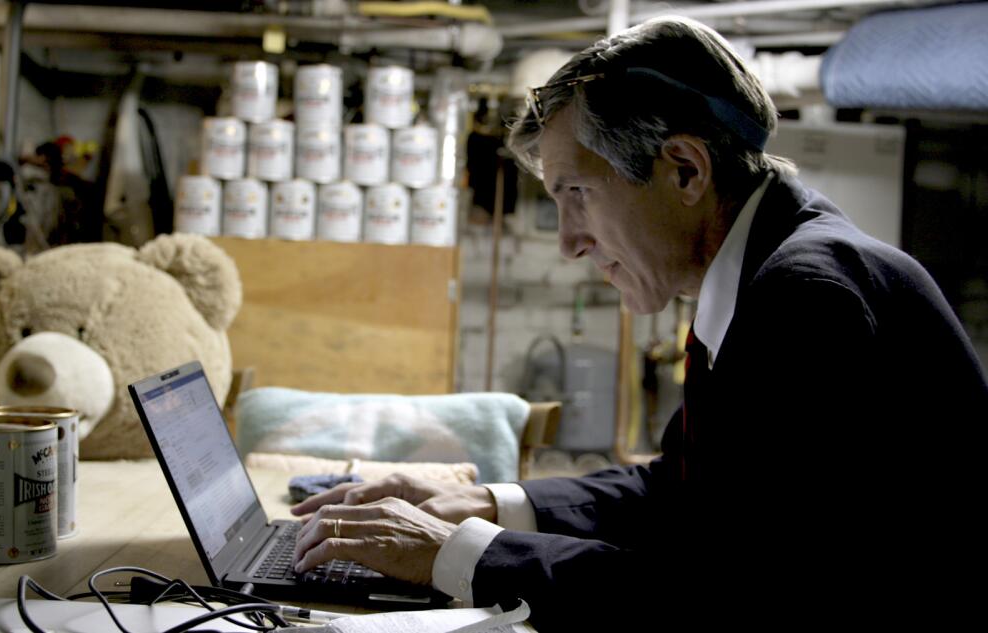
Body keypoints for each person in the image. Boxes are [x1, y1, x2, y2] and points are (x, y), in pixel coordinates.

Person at [292, 16, 988, 627]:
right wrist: (481, 502)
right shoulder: (766, 269)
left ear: (685, 171)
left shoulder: (805, 296)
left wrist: (455, 553)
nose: (569, 241)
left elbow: (725, 595)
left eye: (578, 194)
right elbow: (680, 495)